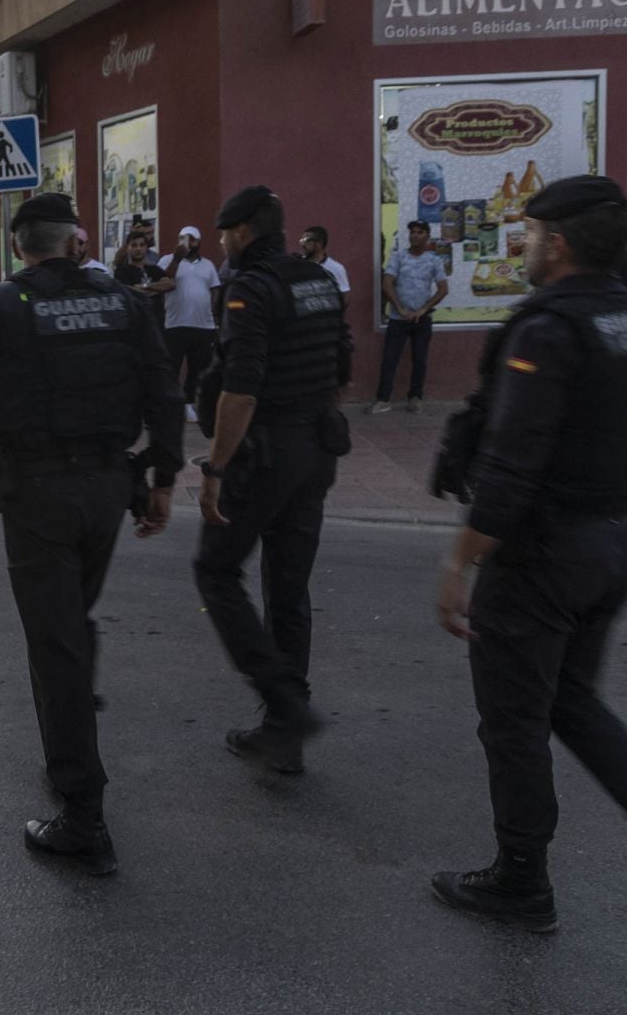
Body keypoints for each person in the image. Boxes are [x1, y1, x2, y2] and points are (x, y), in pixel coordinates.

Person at [427, 175, 627, 950]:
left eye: (531, 235)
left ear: (559, 243)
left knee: (515, 723)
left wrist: (460, 563)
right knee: (574, 705)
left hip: (544, 553)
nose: (525, 247)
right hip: (615, 540)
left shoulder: (550, 328)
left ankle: (521, 880)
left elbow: (514, 466)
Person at [0, 192, 184, 876]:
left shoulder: (1, 305)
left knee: (56, 642)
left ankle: (82, 814)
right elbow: (162, 387)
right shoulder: (121, 301)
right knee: (71, 625)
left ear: (17, 248)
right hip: (106, 491)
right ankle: (72, 741)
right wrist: (162, 477)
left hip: (38, 494)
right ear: (75, 241)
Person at [192, 187, 350, 776]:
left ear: (242, 233)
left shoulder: (250, 288)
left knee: (214, 569)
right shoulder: (320, 281)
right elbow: (341, 372)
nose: (221, 245)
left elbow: (241, 388)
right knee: (289, 587)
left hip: (268, 451)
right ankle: (286, 731)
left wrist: (215, 468)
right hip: (317, 447)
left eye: (224, 234)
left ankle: (284, 704)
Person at [371, 220, 449, 413]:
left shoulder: (434, 260)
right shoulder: (398, 257)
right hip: (399, 318)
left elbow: (442, 289)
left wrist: (423, 309)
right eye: (413, 232)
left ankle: (415, 397)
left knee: (420, 359)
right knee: (390, 359)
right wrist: (400, 308)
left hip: (421, 319)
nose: (415, 235)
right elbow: (387, 283)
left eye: (420, 232)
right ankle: (383, 399)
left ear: (427, 236)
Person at [156, 225, 220, 424]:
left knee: (198, 368)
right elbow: (163, 280)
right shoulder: (167, 259)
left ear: (198, 242)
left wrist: (214, 314)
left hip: (203, 325)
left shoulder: (208, 265)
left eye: (191, 239)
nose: (186, 242)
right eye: (182, 238)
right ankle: (171, 404)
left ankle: (189, 403)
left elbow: (215, 289)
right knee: (172, 366)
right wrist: (176, 258)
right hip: (176, 323)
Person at [299, 226, 351, 303]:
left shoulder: (336, 268)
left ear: (319, 243)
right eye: (301, 241)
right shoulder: (298, 265)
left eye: (307, 241)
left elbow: (345, 298)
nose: (303, 245)